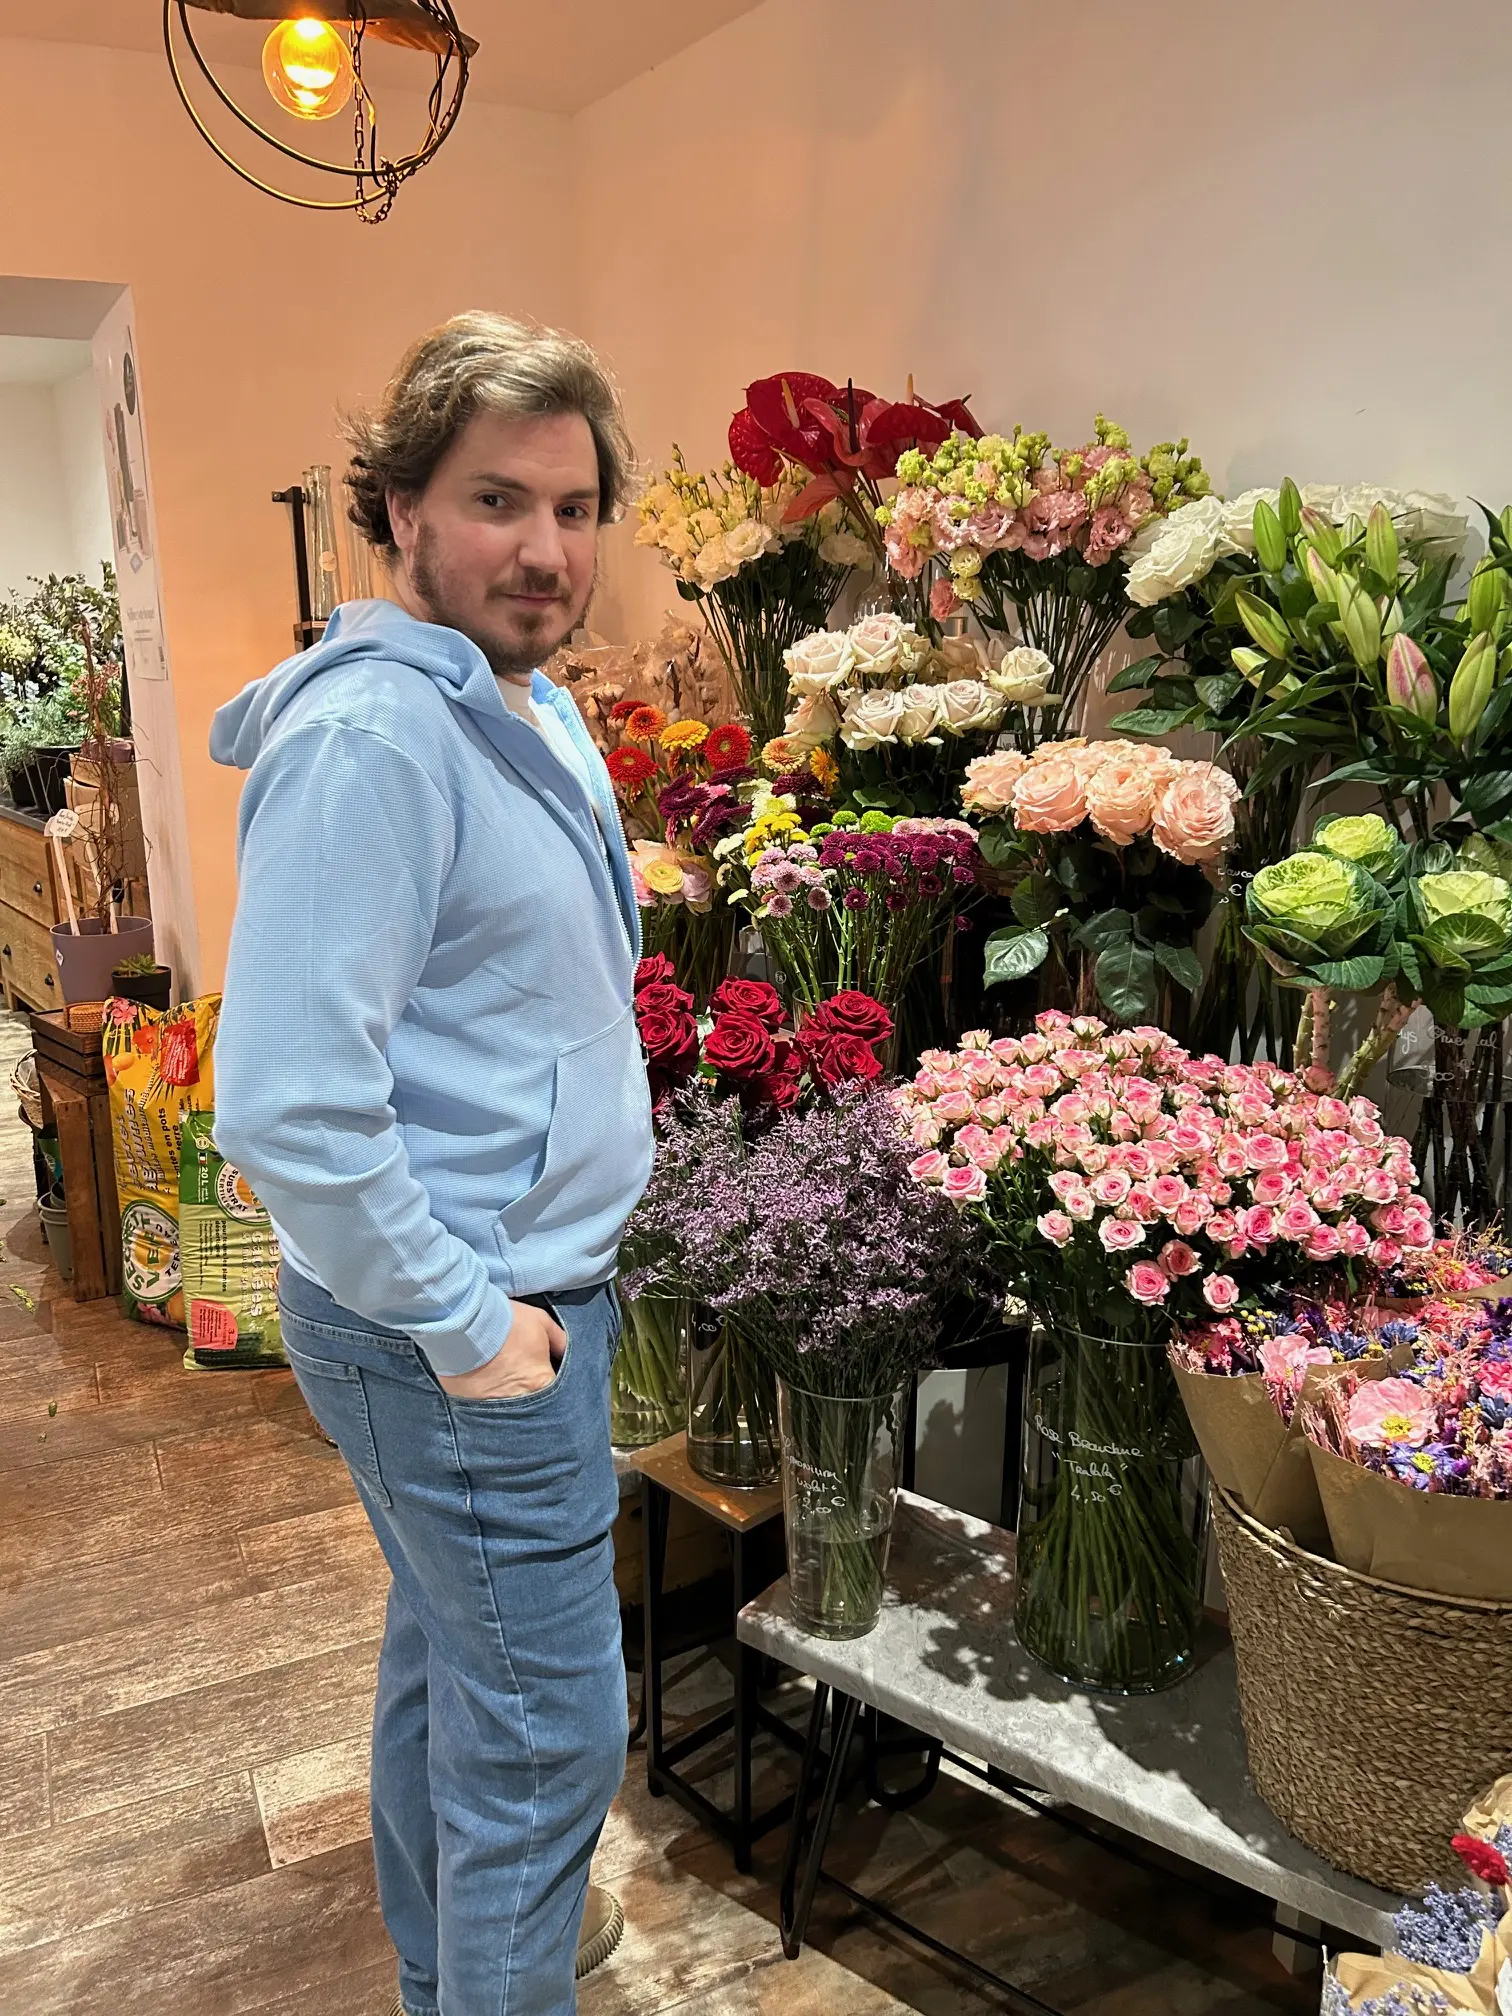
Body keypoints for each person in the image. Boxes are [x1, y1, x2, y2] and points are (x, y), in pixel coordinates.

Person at [211, 312, 654, 2016]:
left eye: (574, 507)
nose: (546, 550)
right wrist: (475, 1330)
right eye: (496, 501)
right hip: (459, 1326)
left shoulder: (517, 700)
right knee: (549, 1740)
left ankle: (437, 1980)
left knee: (457, 1677)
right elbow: (288, 1108)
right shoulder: (379, 743)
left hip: (497, 1301)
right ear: (398, 509)